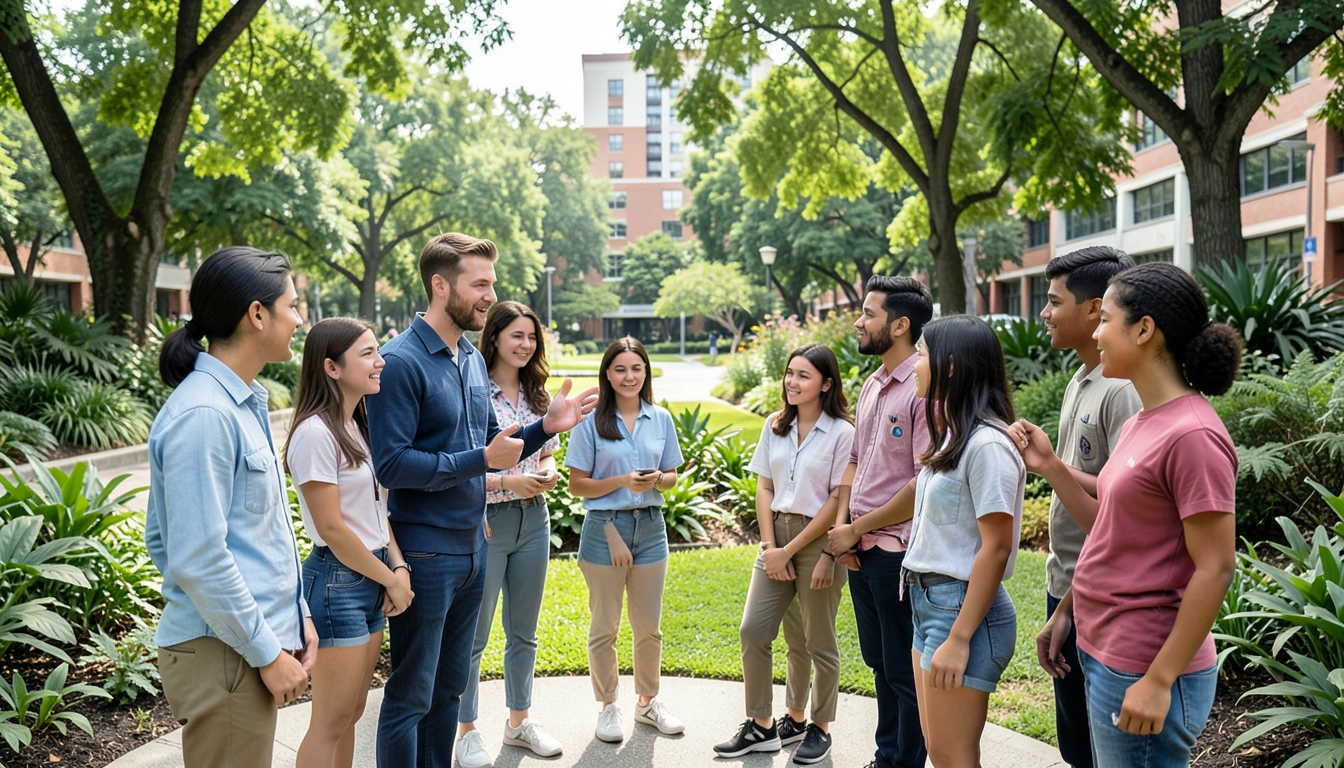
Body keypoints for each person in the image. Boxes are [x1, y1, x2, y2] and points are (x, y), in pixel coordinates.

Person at [367, 233, 597, 767]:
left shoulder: (470, 357)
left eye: (491, 283)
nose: (490, 296)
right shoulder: (400, 361)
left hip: (474, 545)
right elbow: (391, 464)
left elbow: (493, 443)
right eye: (479, 284)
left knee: (449, 691)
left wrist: (545, 428)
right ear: (440, 285)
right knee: (411, 695)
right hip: (425, 554)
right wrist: (480, 461)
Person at [1010, 262, 1240, 767]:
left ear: (1144, 329)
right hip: (1107, 649)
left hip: (1145, 663)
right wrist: (1067, 611)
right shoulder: (1143, 421)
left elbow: (1216, 567)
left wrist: (1159, 680)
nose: (1096, 333)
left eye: (1106, 320)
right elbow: (1113, 528)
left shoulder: (1194, 436)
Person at [145, 246, 315, 768]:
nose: (299, 319)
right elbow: (197, 556)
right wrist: (265, 649)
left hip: (237, 647)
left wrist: (297, 616)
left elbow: (247, 537)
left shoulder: (237, 403)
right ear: (257, 314)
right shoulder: (206, 414)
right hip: (227, 655)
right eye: (292, 305)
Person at [713, 343, 855, 765]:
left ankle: (817, 726)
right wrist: (770, 546)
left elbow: (837, 499)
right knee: (754, 631)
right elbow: (764, 485)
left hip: (818, 542)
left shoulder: (843, 432)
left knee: (815, 641)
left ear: (826, 384)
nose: (792, 382)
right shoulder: (774, 425)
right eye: (790, 373)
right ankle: (763, 726)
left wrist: (815, 553)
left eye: (803, 375)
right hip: (775, 538)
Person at [284, 318, 413, 768]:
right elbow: (333, 529)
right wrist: (390, 580)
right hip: (338, 581)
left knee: (352, 712)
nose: (381, 362)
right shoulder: (314, 433)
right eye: (368, 353)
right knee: (330, 721)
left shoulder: (357, 426)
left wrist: (397, 567)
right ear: (332, 367)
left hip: (370, 573)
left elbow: (377, 513)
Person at [1032, 246, 1140, 768]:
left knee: (1101, 749)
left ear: (1096, 308)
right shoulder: (1082, 379)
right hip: (1067, 580)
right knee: (1076, 742)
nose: (1045, 313)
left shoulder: (1122, 391)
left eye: (1055, 302)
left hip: (1097, 590)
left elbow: (1125, 507)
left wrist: (1049, 464)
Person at [903, 315, 1025, 766]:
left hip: (960, 612)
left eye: (921, 352)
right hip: (930, 604)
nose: (915, 363)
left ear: (950, 365)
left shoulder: (987, 446)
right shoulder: (957, 434)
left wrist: (959, 638)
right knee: (942, 754)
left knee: (953, 759)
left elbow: (997, 547)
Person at [826, 275, 934, 768]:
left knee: (903, 674)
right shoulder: (873, 383)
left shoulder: (923, 388)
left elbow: (922, 482)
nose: (858, 322)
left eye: (869, 314)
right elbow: (854, 462)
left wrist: (858, 529)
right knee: (879, 665)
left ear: (900, 325)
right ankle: (885, 756)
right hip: (860, 548)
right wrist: (846, 531)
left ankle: (902, 762)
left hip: (896, 553)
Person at [455, 302, 564, 768]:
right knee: (474, 636)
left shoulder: (538, 395)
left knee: (524, 632)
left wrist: (547, 470)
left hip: (534, 520)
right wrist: (506, 482)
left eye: (532, 337)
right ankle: (465, 731)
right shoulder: (473, 391)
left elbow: (546, 452)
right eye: (517, 335)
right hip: (488, 523)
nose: (526, 345)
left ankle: (519, 723)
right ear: (495, 336)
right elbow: (460, 468)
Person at [566, 337, 684, 743]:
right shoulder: (590, 423)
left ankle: (648, 702)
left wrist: (658, 479)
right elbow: (577, 485)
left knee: (649, 628)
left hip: (651, 529)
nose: (629, 376)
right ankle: (608, 707)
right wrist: (621, 481)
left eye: (636, 368)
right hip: (605, 530)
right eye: (620, 369)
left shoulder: (661, 418)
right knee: (605, 627)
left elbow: (671, 476)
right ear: (607, 374)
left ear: (646, 372)